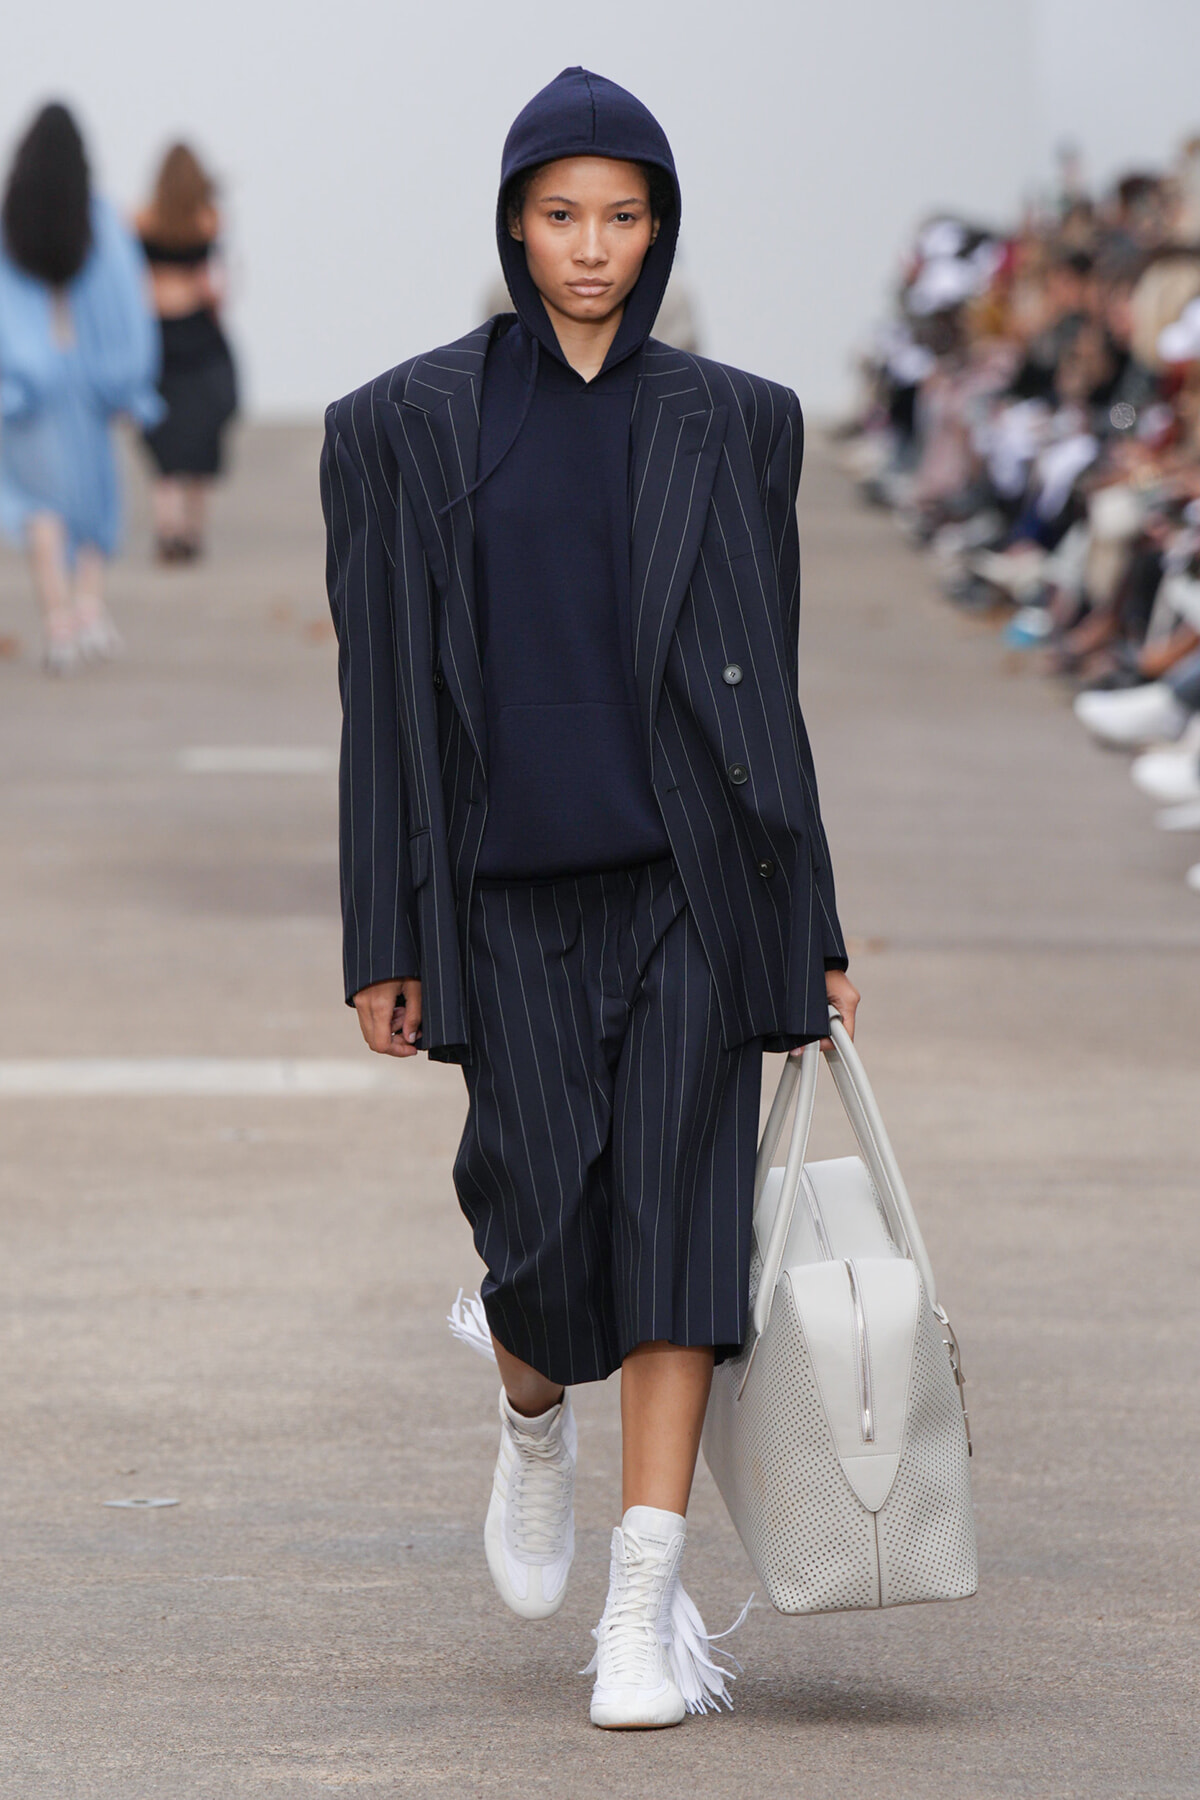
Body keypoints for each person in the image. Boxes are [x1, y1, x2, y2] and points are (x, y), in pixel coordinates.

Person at [320, 68, 858, 1730]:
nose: (592, 248)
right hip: (504, 897)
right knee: (543, 1237)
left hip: (690, 879)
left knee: (685, 1229)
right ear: (512, 222)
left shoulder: (739, 423)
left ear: (660, 226)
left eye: (622, 217)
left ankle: (646, 1607)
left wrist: (811, 924)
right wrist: (383, 935)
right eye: (563, 216)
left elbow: (768, 692)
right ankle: (530, 1405)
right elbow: (390, 709)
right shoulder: (401, 428)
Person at [0, 103, 162, 673]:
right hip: (85, 382)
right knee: (94, 501)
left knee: (39, 508)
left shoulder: (9, 220)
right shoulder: (98, 218)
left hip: (24, 386)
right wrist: (129, 384)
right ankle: (88, 608)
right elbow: (126, 306)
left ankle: (58, 623)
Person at [136, 143, 237, 563]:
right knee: (200, 440)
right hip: (198, 336)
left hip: (157, 337)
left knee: (166, 444)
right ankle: (191, 532)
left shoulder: (141, 220)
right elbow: (216, 289)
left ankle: (168, 529)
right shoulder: (207, 221)